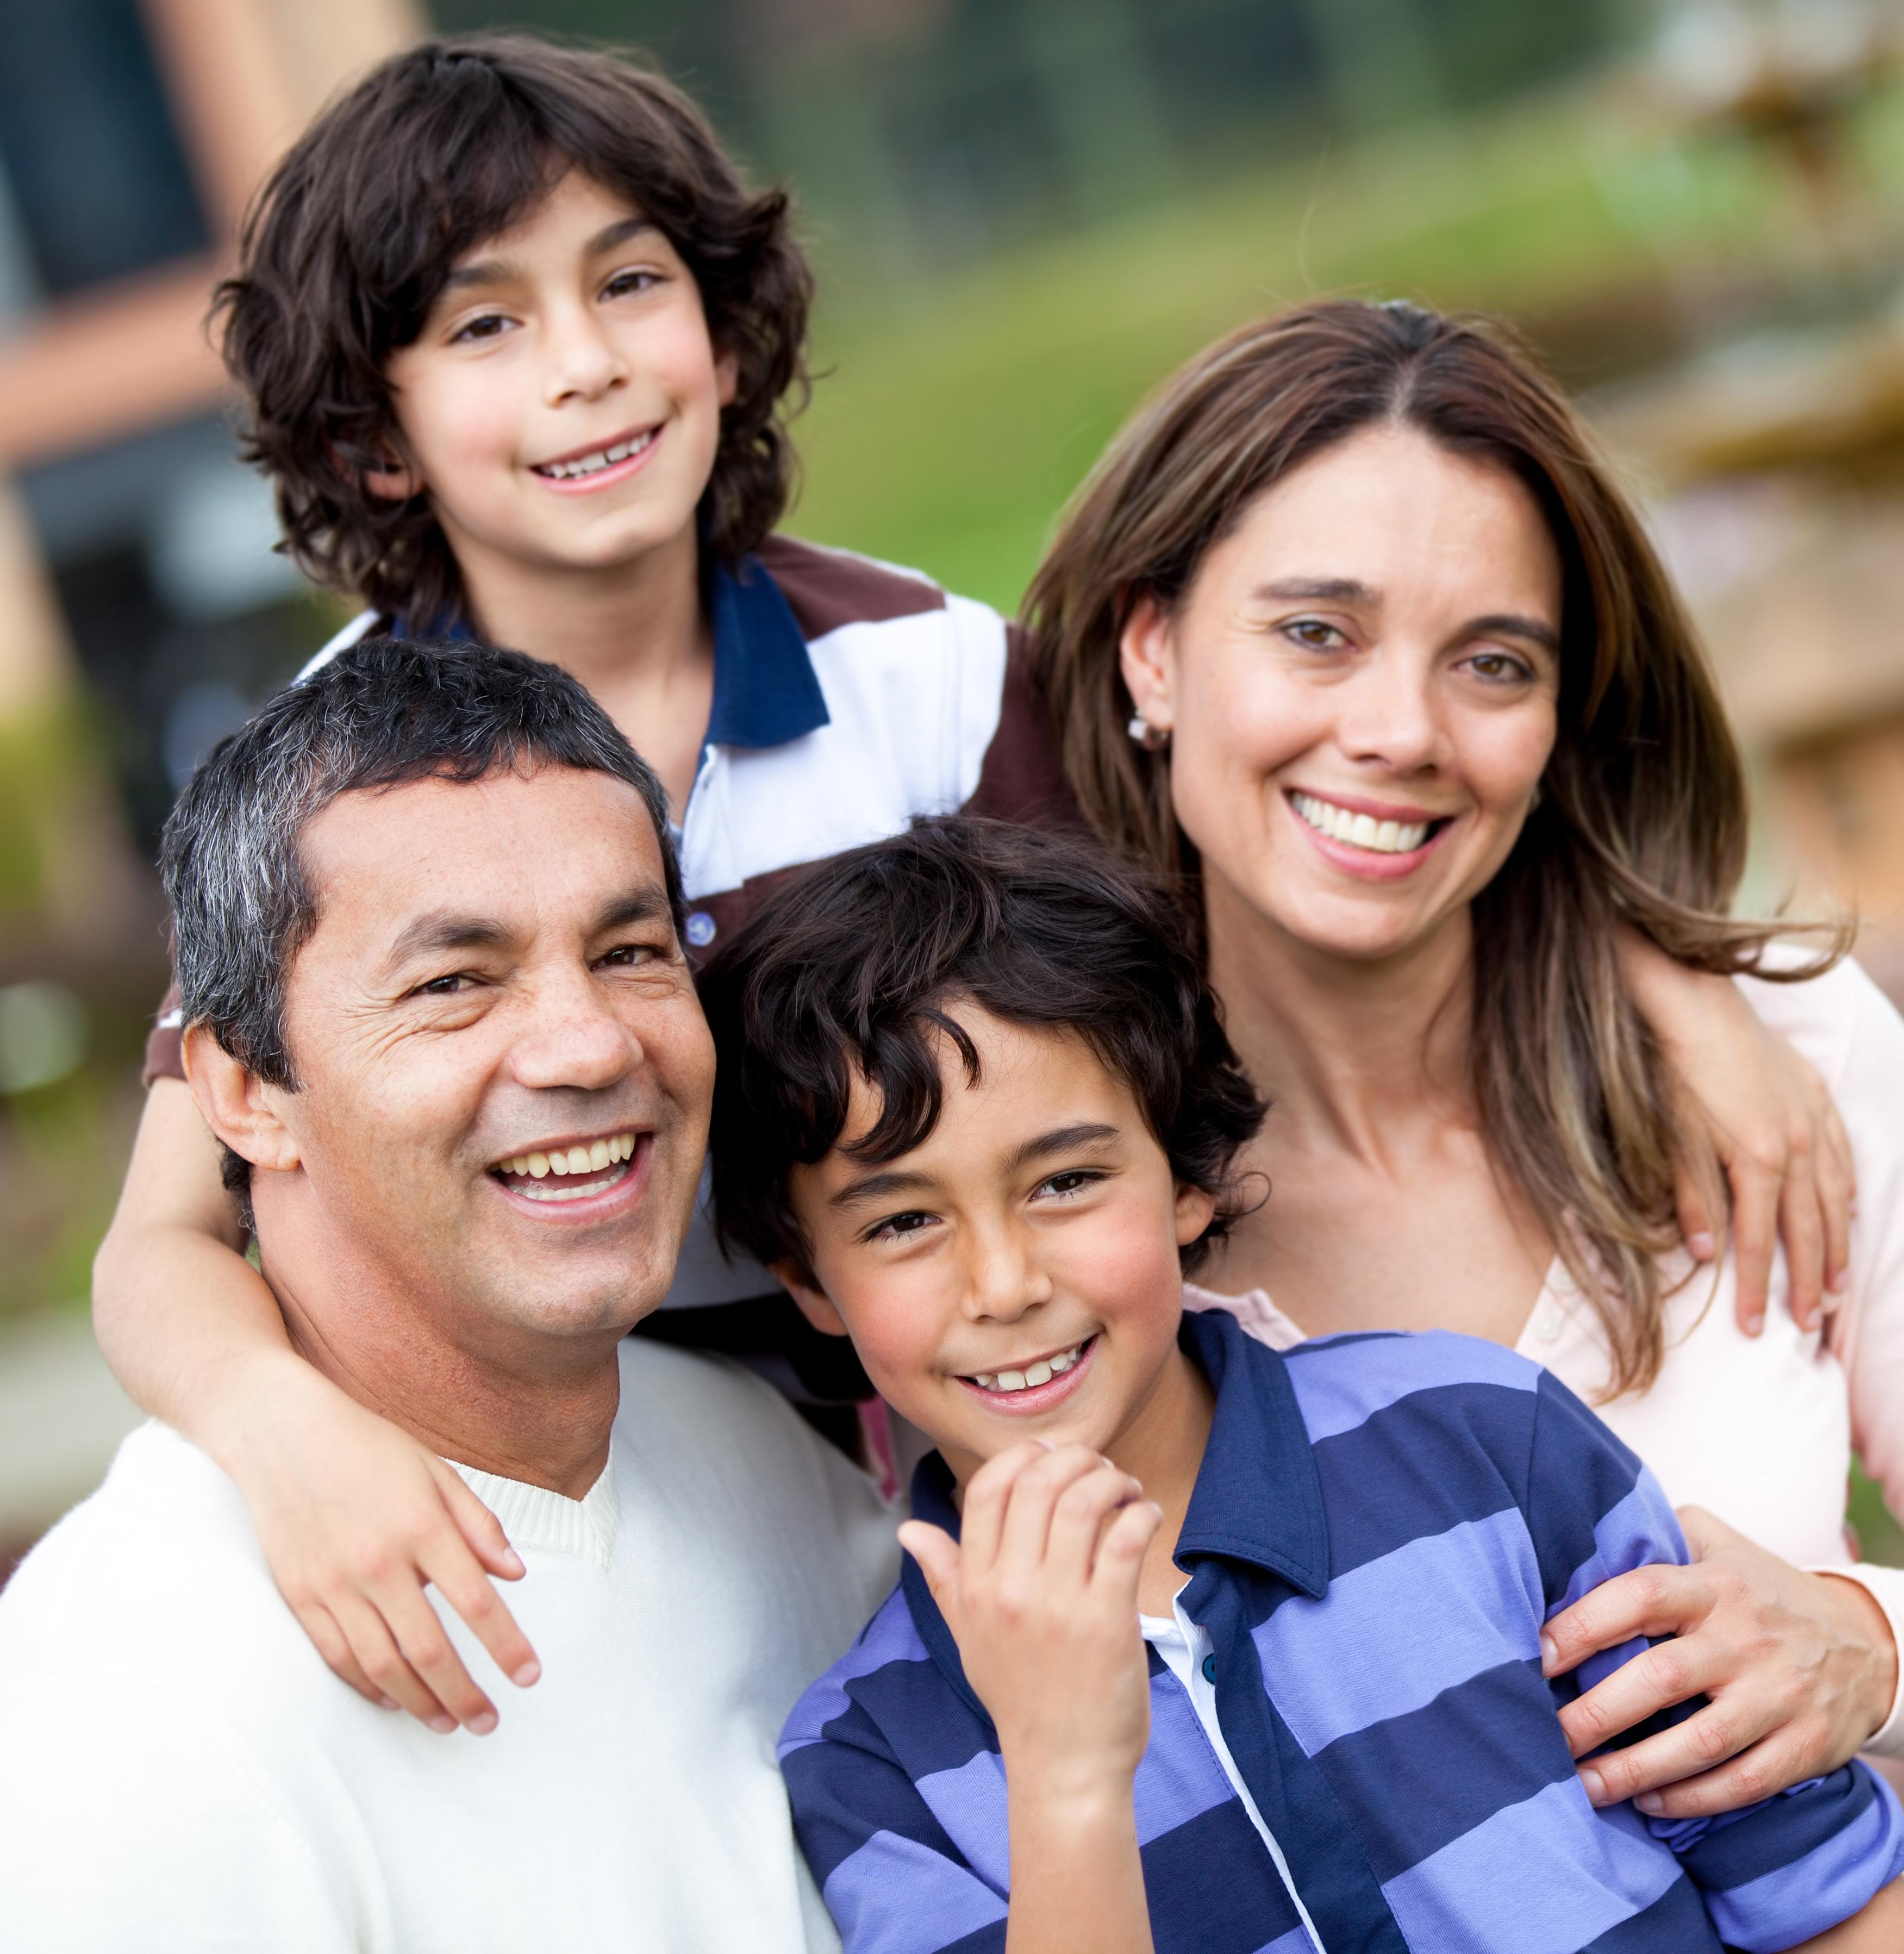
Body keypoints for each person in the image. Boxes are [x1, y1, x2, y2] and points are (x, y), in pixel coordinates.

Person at [93, 32, 1854, 1762]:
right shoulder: (328, 780)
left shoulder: (922, 677)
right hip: (576, 1466)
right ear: (374, 431)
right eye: (488, 323)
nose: (585, 367)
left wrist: (1665, 981)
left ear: (720, 330)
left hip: (947, 1443)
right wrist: (279, 1431)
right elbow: (161, 1236)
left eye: (629, 285)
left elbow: (1294, 835)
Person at [701, 815, 1904, 1954]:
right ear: (810, 1280)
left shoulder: (1483, 1438)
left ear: (1186, 1178)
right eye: (905, 1219)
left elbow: (1825, 1894)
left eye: (1064, 1183)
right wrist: (1066, 1778)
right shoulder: (870, 1760)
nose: (1004, 1282)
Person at [1021, 298, 1904, 1816]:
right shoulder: (1043, 1216)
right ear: (1151, 649)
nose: (1402, 729)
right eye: (1317, 631)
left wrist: (1865, 1640)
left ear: (1561, 717)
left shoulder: (1793, 1055)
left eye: (1492, 663)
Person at [0, 640, 896, 1951]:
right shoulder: (126, 1704)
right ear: (245, 1093)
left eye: (632, 950)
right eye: (452, 983)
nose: (589, 1043)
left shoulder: (769, 1470)